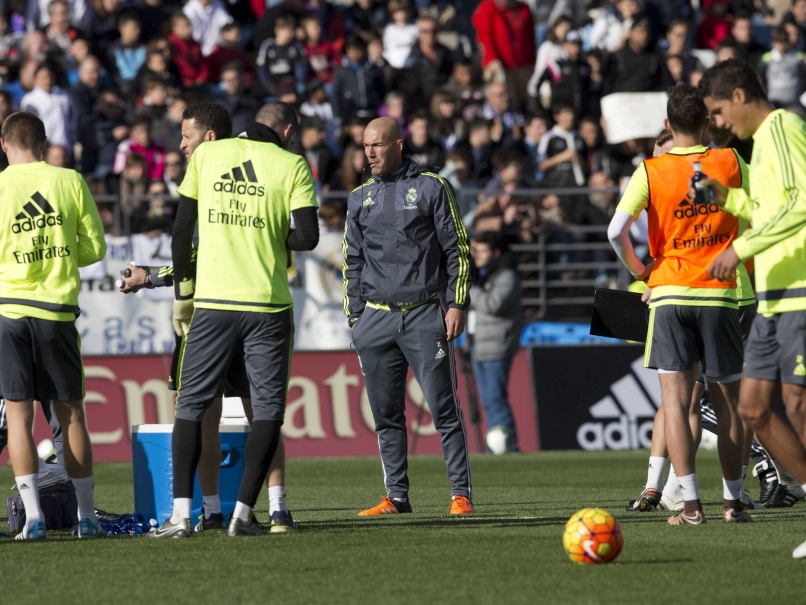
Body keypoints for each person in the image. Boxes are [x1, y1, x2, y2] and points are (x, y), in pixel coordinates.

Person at [118, 103, 299, 534]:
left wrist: (160, 281)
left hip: (214, 313)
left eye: (187, 136)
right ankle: (218, 510)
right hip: (242, 310)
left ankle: (273, 506)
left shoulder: (216, 167)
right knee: (213, 415)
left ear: (210, 138)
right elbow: (194, 250)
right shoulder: (223, 169)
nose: (181, 144)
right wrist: (158, 278)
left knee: (244, 412)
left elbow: (192, 246)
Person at [609, 83, 752, 526]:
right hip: (721, 290)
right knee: (729, 402)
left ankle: (691, 508)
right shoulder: (729, 160)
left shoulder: (650, 170)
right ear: (708, 122)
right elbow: (757, 211)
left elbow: (616, 230)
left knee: (675, 403)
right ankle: (734, 503)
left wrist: (640, 271)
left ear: (668, 125)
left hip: (669, 293)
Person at [700, 59, 806, 556]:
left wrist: (739, 249)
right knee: (754, 409)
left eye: (719, 111)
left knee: (798, 406)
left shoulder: (782, 127)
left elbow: (803, 203)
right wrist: (730, 199)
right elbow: (771, 210)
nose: (718, 122)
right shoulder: (762, 144)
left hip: (800, 291)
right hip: (773, 295)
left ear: (740, 96)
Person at [343, 117, 474, 516]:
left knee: (443, 409)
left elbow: (458, 249)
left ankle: (460, 494)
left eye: (378, 145)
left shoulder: (432, 186)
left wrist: (456, 304)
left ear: (399, 145)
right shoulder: (358, 197)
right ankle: (396, 497)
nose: (369, 153)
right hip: (375, 321)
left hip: (423, 316)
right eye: (366, 145)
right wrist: (356, 317)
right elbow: (352, 261)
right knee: (386, 416)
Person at [0, 111, 106, 539]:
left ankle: (35, 520)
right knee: (72, 416)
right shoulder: (70, 180)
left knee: (20, 418)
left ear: (4, 144)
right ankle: (87, 519)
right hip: (57, 313)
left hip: (8, 310)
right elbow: (95, 247)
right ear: (44, 143)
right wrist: (59, 257)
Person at [469, 231, 521, 450]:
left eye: (481, 250)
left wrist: (469, 288)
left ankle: (507, 447)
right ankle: (495, 446)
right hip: (479, 346)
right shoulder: (484, 275)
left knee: (496, 400)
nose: (476, 255)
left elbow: (493, 304)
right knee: (489, 402)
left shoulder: (507, 276)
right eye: (474, 250)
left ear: (496, 252)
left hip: (497, 347)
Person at [471, 0, 536, 109]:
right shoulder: (488, 7)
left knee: (525, 98)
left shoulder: (523, 8)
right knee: (505, 99)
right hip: (500, 65)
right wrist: (492, 58)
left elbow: (530, 36)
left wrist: (532, 59)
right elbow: (484, 35)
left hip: (523, 64)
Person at [759, 26, 806, 109]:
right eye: (779, 42)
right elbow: (761, 79)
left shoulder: (799, 57)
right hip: (774, 103)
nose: (783, 46)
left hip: (795, 103)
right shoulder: (766, 59)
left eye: (785, 41)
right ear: (773, 43)